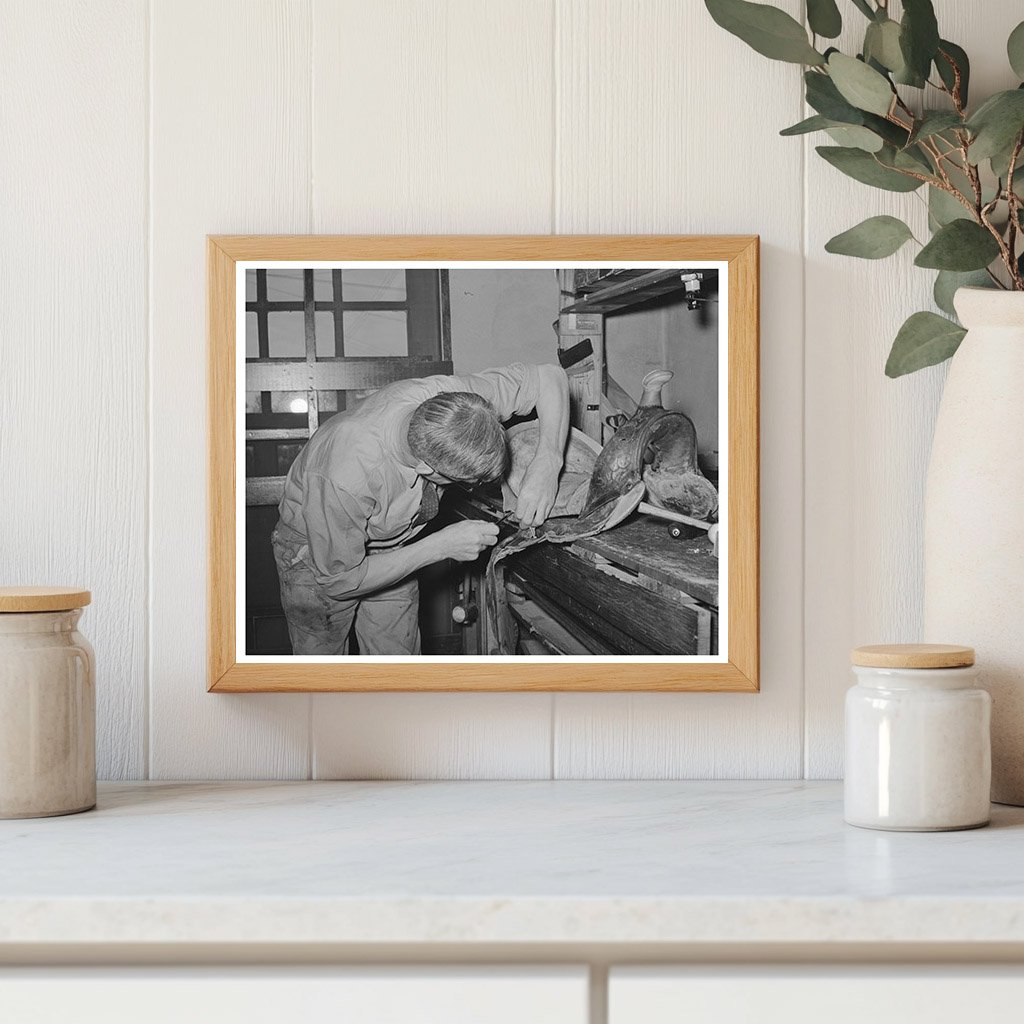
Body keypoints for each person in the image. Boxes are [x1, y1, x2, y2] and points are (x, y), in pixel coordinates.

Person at [271, 362, 569, 655]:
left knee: (398, 665)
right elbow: (340, 581)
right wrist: (439, 547)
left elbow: (548, 377)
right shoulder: (344, 474)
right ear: (425, 468)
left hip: (393, 542)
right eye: (467, 483)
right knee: (324, 675)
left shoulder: (456, 404)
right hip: (319, 553)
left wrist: (548, 460)